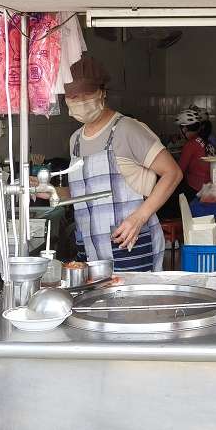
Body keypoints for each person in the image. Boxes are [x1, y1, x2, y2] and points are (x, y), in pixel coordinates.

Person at [60, 54, 182, 272]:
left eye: (87, 93)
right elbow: (86, 194)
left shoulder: (126, 129)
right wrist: (47, 191)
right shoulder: (75, 140)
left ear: (102, 93)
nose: (80, 101)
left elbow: (172, 173)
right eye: (73, 95)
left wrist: (139, 217)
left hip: (129, 245)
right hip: (90, 250)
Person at [175, 106, 216, 196]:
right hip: (209, 186)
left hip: (196, 188)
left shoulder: (190, 145)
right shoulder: (206, 141)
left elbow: (179, 171)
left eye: (179, 129)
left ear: (184, 129)